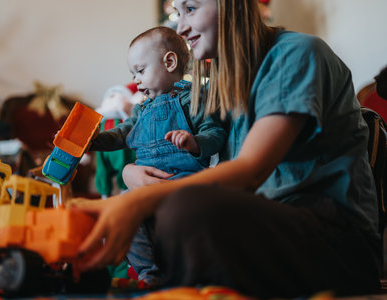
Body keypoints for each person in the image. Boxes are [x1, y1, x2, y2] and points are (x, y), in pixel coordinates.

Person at [70, 0, 381, 298]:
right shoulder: (220, 82)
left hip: (333, 239)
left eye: (191, 9)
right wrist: (131, 173)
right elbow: (182, 154)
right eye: (178, 12)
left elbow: (251, 169)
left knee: (185, 211)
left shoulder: (297, 54)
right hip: (261, 224)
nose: (181, 27)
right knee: (166, 218)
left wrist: (140, 201)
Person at [88, 26, 227, 285]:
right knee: (121, 211)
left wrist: (195, 142)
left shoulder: (193, 98)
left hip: (184, 182)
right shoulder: (142, 110)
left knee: (189, 223)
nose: (136, 80)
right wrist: (93, 141)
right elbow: (121, 134)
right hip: (143, 188)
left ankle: (194, 273)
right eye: (133, 74)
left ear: (170, 62)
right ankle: (147, 274)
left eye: (140, 71)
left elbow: (215, 133)